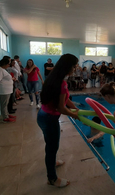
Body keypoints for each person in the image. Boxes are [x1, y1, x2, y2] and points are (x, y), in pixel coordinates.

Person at [38, 54, 79, 188]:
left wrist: (74, 107)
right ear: (68, 66)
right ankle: (52, 179)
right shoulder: (62, 83)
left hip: (42, 115)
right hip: (50, 119)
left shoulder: (53, 78)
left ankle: (53, 161)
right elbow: (61, 108)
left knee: (49, 145)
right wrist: (75, 115)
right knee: (52, 147)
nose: (75, 68)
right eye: (74, 66)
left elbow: (64, 100)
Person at [0, 58, 16, 122]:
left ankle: (7, 114)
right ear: (4, 64)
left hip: (6, 90)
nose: (9, 65)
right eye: (8, 64)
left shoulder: (2, 69)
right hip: (3, 90)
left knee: (6, 104)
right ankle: (5, 117)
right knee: (4, 104)